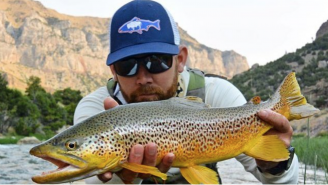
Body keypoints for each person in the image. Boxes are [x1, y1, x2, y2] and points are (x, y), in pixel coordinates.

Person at [73, 0, 299, 184]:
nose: (143, 78)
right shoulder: (95, 111)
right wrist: (123, 177)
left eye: (156, 61)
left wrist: (275, 164)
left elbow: (283, 182)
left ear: (180, 59)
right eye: (127, 66)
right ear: (113, 71)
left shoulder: (217, 95)